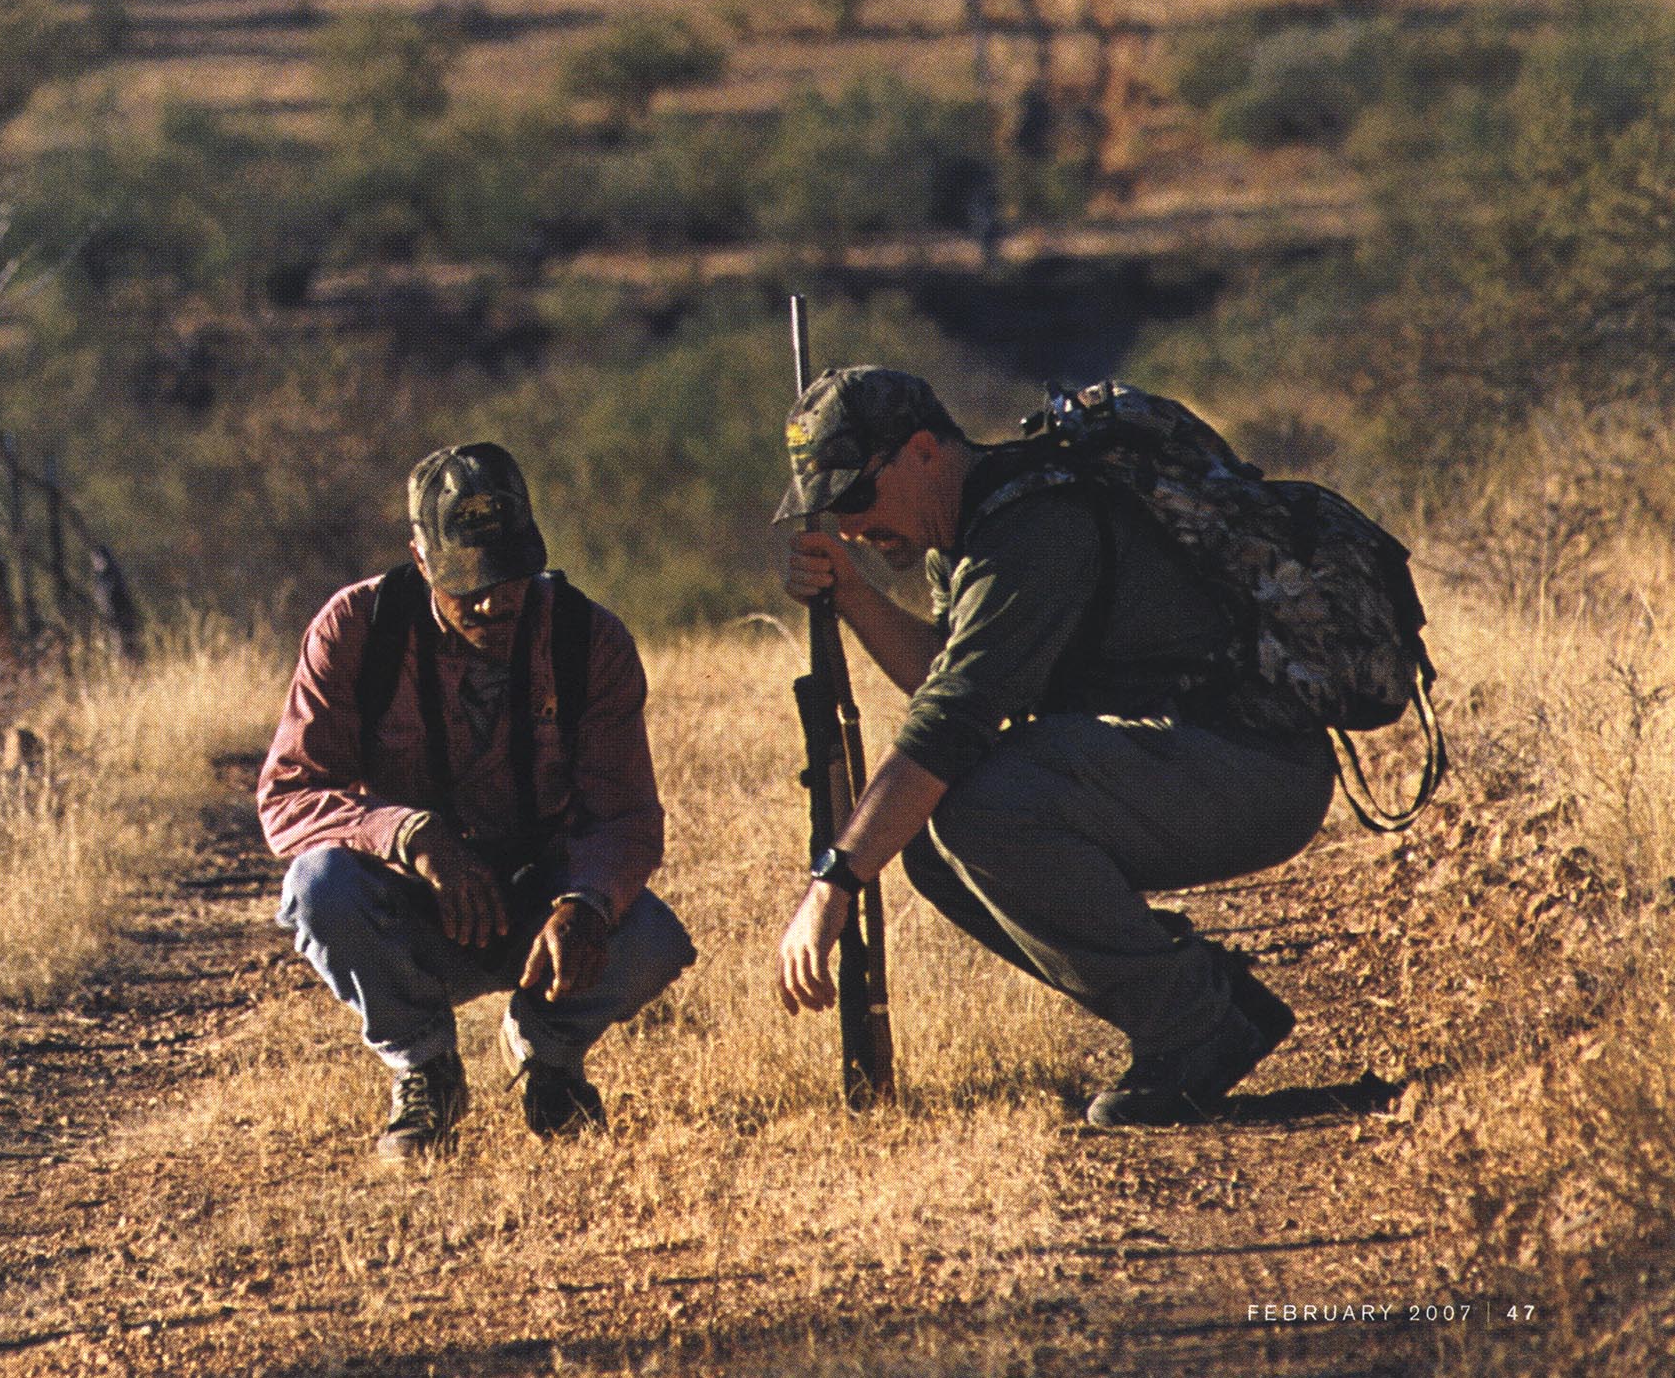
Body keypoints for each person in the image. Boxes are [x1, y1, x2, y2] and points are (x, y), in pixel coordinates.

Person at [772, 366, 1335, 1127]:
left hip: (1253, 766)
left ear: (923, 453)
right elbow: (949, 671)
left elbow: (951, 723)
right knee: (936, 847)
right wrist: (855, 594)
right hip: (1193, 758)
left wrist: (834, 878)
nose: (847, 525)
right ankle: (1204, 1001)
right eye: (831, 508)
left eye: (855, 496)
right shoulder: (975, 525)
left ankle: (1195, 1027)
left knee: (977, 810)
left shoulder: (1032, 528)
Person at [259, 442, 693, 1162]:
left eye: (510, 574)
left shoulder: (592, 640)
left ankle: (546, 1055)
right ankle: (425, 1068)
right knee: (319, 887)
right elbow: (288, 795)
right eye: (468, 581)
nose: (494, 600)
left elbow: (627, 818)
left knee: (647, 937)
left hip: (540, 915)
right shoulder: (354, 630)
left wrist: (584, 901)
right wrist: (407, 834)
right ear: (421, 560)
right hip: (414, 916)